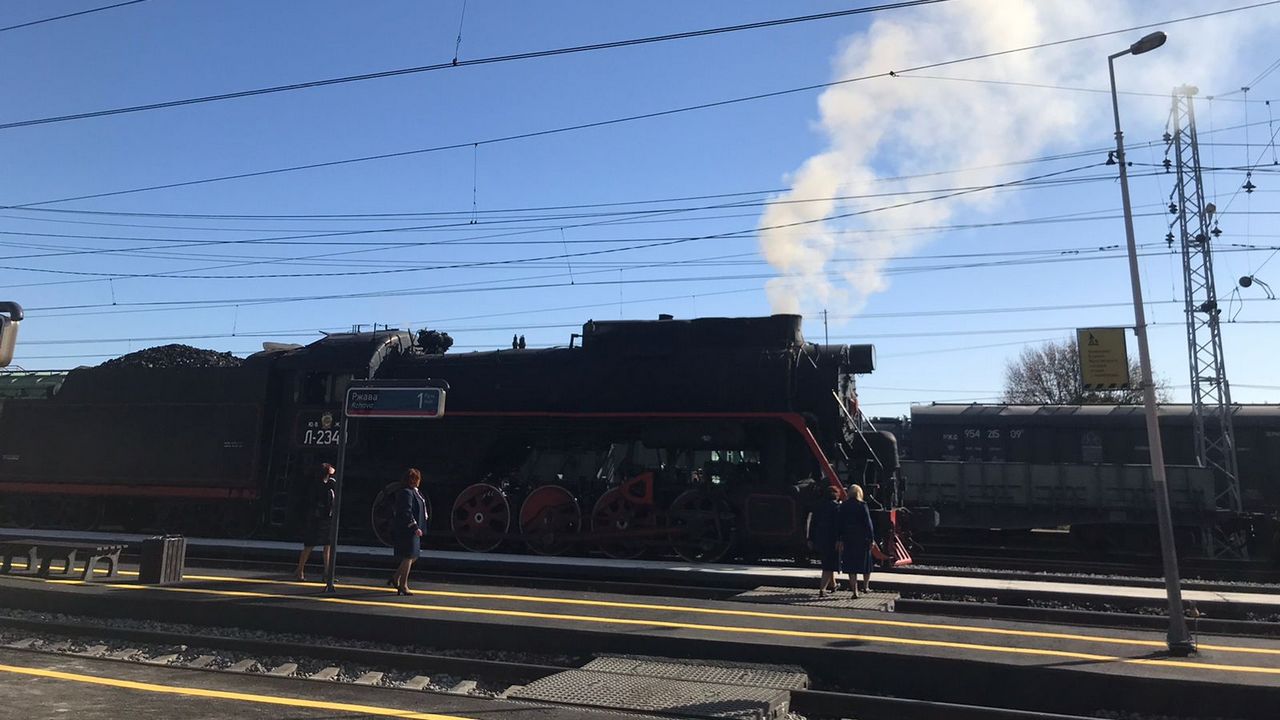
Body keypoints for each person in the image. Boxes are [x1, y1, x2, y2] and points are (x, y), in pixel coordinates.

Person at [293, 463, 336, 581]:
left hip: (326, 518)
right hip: (317, 518)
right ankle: (300, 570)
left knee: (327, 545)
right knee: (310, 545)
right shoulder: (317, 486)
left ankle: (327, 572)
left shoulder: (330, 485)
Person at [390, 467, 428, 596]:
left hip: (413, 529)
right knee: (409, 556)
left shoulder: (414, 492)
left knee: (414, 556)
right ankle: (403, 585)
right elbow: (406, 511)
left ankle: (396, 577)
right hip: (408, 529)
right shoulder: (406, 492)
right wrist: (415, 526)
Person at [840, 483, 877, 597]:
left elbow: (839, 524)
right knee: (866, 564)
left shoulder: (844, 506)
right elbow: (868, 523)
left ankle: (855, 591)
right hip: (862, 539)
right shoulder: (862, 505)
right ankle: (865, 587)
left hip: (848, 539)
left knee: (851, 566)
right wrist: (871, 539)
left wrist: (840, 538)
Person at [807, 484, 843, 596]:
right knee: (828, 565)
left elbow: (812, 523)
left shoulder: (818, 506)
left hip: (820, 539)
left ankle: (833, 584)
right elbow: (838, 526)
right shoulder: (836, 508)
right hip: (832, 540)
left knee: (828, 562)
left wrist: (810, 539)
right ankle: (822, 589)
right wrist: (840, 539)